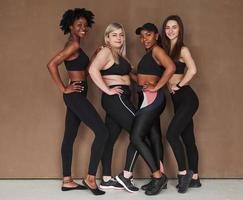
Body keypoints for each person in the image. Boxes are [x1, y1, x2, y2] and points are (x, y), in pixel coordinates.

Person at [47, 8, 109, 195]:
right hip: (74, 95)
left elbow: (84, 71)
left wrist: (94, 57)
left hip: (77, 95)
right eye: (78, 25)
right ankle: (90, 178)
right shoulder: (72, 45)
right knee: (102, 131)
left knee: (69, 136)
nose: (83, 28)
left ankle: (67, 181)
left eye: (85, 25)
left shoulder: (76, 45)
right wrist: (64, 88)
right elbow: (51, 64)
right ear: (70, 27)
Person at [123, 23, 175, 195]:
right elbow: (140, 78)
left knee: (136, 136)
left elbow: (171, 67)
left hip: (151, 98)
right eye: (142, 36)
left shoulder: (157, 50)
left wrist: (157, 87)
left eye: (148, 35)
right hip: (145, 97)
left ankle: (158, 177)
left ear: (156, 36)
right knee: (153, 136)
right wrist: (127, 70)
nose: (144, 39)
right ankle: (159, 178)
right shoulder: (149, 54)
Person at [89, 23, 139, 193]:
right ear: (107, 38)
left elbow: (128, 75)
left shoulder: (119, 55)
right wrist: (107, 90)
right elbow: (92, 69)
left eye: (121, 35)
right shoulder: (106, 51)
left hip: (121, 98)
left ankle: (106, 179)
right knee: (140, 131)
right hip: (116, 98)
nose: (119, 38)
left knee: (109, 139)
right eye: (114, 35)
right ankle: (126, 175)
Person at [161, 15, 201, 193]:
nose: (170, 30)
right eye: (167, 27)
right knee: (188, 138)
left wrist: (178, 85)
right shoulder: (165, 50)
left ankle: (183, 173)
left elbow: (192, 69)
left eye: (174, 27)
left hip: (187, 98)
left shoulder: (182, 49)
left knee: (171, 134)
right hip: (177, 100)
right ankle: (195, 178)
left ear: (180, 29)